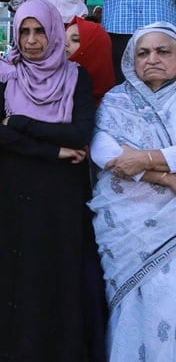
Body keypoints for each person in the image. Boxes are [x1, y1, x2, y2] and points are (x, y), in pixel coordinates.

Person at [0, 0, 102, 361]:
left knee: (55, 269)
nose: (32, 40)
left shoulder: (76, 76)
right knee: (12, 271)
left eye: (40, 31)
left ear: (54, 33)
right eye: (24, 31)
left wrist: (17, 123)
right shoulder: (2, 71)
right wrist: (55, 149)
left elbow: (79, 133)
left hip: (59, 195)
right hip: (13, 188)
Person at [87, 22, 176, 361]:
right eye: (143, 52)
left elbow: (129, 160)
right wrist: (164, 177)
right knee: (129, 306)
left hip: (170, 224)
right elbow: (105, 152)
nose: (152, 59)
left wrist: (146, 157)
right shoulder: (116, 99)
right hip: (126, 220)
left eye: (162, 51)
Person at [64, 17, 116, 105]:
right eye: (63, 38)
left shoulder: (117, 107)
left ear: (94, 49)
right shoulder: (47, 86)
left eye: (75, 40)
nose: (65, 43)